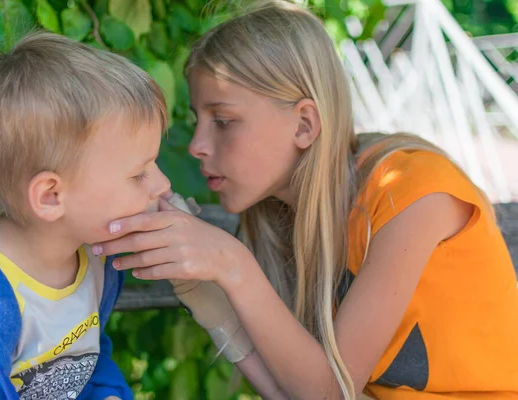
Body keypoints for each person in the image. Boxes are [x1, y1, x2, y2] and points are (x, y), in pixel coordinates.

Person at [91, 1, 518, 399]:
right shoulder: (278, 218)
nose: (198, 145)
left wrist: (233, 265)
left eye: (223, 121)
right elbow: (292, 391)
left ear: (304, 125)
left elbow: (332, 392)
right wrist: (207, 298)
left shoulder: (412, 190)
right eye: (198, 121)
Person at [0, 31, 173, 400]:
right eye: (139, 173)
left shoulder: (94, 260)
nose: (162, 185)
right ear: (51, 196)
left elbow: (83, 363)